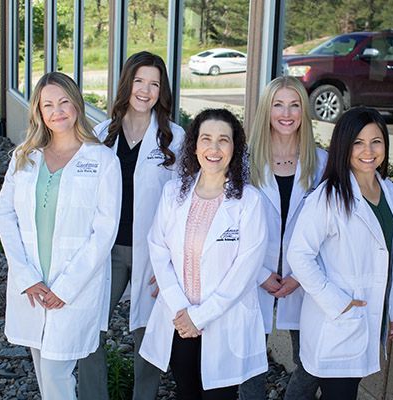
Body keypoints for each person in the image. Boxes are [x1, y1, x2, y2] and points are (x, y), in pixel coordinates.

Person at [0, 72, 121, 400]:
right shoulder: (25, 156)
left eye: (64, 102)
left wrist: (66, 287)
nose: (57, 111)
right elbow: (5, 215)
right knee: (44, 370)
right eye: (48, 104)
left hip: (74, 288)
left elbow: (104, 232)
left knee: (55, 372)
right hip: (33, 285)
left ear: (77, 105)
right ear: (38, 111)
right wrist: (26, 276)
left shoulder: (102, 160)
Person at [139, 109, 268, 399]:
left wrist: (200, 317)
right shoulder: (173, 193)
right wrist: (181, 309)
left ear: (235, 148)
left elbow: (245, 271)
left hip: (223, 321)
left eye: (223, 140)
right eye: (206, 139)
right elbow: (158, 249)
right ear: (194, 145)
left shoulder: (249, 202)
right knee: (187, 391)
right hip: (179, 320)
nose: (214, 148)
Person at [78, 51, 185, 400]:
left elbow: (185, 205)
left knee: (148, 336)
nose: (145, 90)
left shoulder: (175, 139)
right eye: (139, 81)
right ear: (127, 84)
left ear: (161, 91)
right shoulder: (100, 135)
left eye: (154, 84)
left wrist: (173, 263)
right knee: (89, 328)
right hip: (107, 253)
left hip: (152, 255)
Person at [285, 107, 393, 400]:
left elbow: (392, 254)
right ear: (343, 146)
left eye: (376, 141)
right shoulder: (327, 197)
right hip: (337, 320)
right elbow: (299, 256)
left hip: (367, 316)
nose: (369, 151)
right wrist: (338, 303)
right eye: (358, 143)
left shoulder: (388, 191)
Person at [240, 76, 328, 399]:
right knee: (250, 360)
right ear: (267, 110)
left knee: (311, 359)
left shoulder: (321, 163)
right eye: (278, 105)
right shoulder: (245, 161)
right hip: (253, 273)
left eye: (295, 105)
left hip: (304, 276)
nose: (287, 114)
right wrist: (260, 274)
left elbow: (329, 229)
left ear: (305, 111)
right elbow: (232, 224)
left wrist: (300, 277)